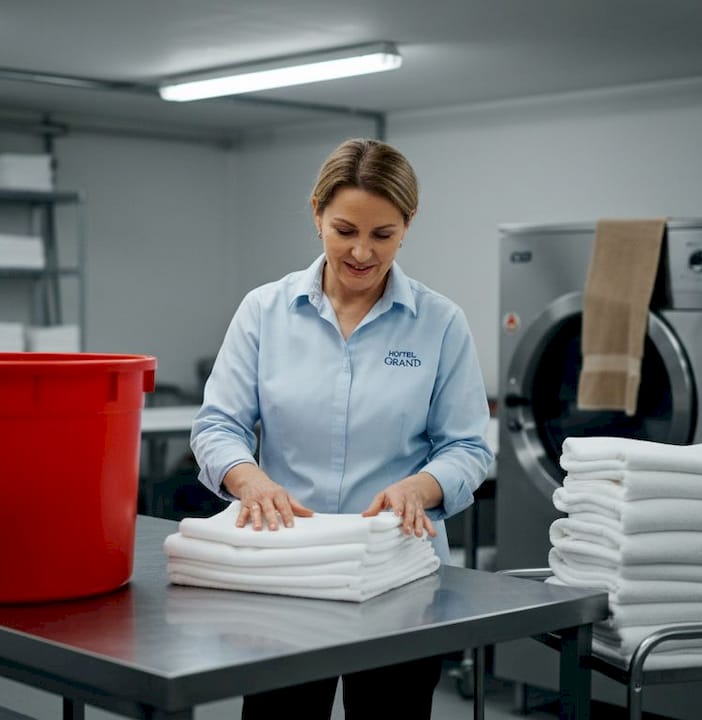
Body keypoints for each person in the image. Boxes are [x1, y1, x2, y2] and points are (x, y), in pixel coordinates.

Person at [190, 137, 493, 719]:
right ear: (316, 214)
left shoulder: (440, 323)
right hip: (287, 574)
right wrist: (248, 479)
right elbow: (218, 425)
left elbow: (467, 447)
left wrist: (420, 488)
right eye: (344, 229)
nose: (360, 251)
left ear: (407, 226)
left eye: (382, 235)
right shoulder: (264, 311)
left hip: (399, 578)